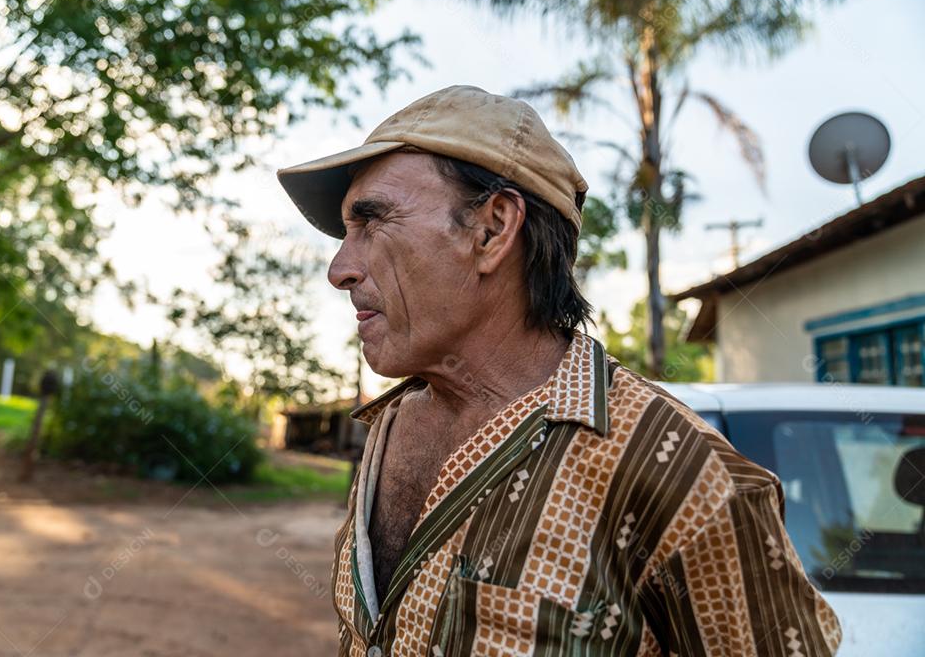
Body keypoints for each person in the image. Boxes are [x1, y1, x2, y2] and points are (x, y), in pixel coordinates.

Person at [277, 85, 841, 656]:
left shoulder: (685, 478)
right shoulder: (386, 430)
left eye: (372, 223)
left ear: (493, 230)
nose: (340, 269)